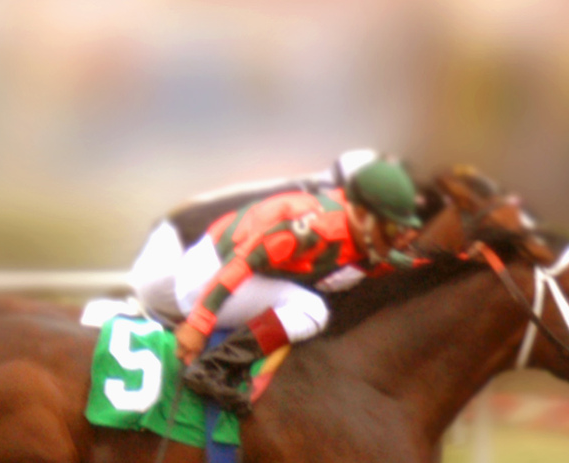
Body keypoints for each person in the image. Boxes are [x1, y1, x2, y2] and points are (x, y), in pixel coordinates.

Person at [125, 151, 424, 415]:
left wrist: (437, 261)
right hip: (211, 275)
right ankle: (214, 368)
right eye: (390, 228)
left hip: (222, 267)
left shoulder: (349, 223)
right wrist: (199, 323)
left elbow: (371, 259)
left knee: (310, 303)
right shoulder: (313, 228)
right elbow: (242, 262)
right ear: (361, 213)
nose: (396, 237)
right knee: (312, 310)